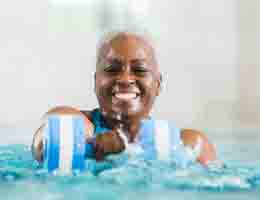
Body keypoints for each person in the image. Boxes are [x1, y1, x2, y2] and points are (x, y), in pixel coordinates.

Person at [32, 30, 217, 168]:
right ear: (96, 82)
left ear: (158, 84)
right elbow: (45, 141)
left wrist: (127, 147)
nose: (125, 79)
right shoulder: (72, 121)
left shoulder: (184, 143)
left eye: (140, 71)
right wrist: (95, 142)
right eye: (112, 70)